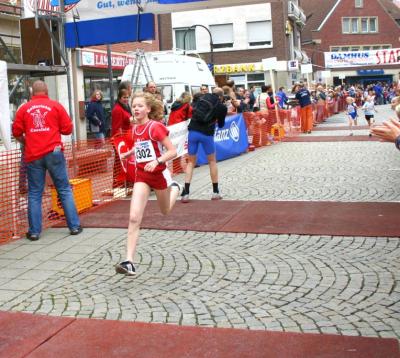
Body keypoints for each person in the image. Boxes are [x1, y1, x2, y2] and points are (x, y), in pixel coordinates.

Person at [115, 92, 181, 275]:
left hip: (158, 175)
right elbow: (140, 145)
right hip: (142, 175)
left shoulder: (155, 127)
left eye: (140, 106)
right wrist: (129, 154)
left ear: (148, 109)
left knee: (165, 211)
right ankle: (129, 261)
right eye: (134, 106)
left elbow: (172, 151)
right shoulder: (135, 128)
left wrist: (158, 161)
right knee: (134, 217)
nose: (136, 109)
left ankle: (175, 188)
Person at [12, 80, 82, 241]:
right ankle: (74, 227)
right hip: (54, 152)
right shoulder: (56, 106)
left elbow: (16, 131)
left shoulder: (24, 109)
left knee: (35, 193)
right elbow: (68, 129)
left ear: (32, 93)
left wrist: (26, 141)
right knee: (64, 189)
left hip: (33, 155)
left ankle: (35, 232)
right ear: (47, 92)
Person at [181, 87, 227, 203]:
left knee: (191, 162)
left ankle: (186, 193)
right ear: (221, 97)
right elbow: (221, 125)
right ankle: (215, 192)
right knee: (212, 161)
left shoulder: (202, 98)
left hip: (193, 132)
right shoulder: (221, 106)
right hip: (207, 134)